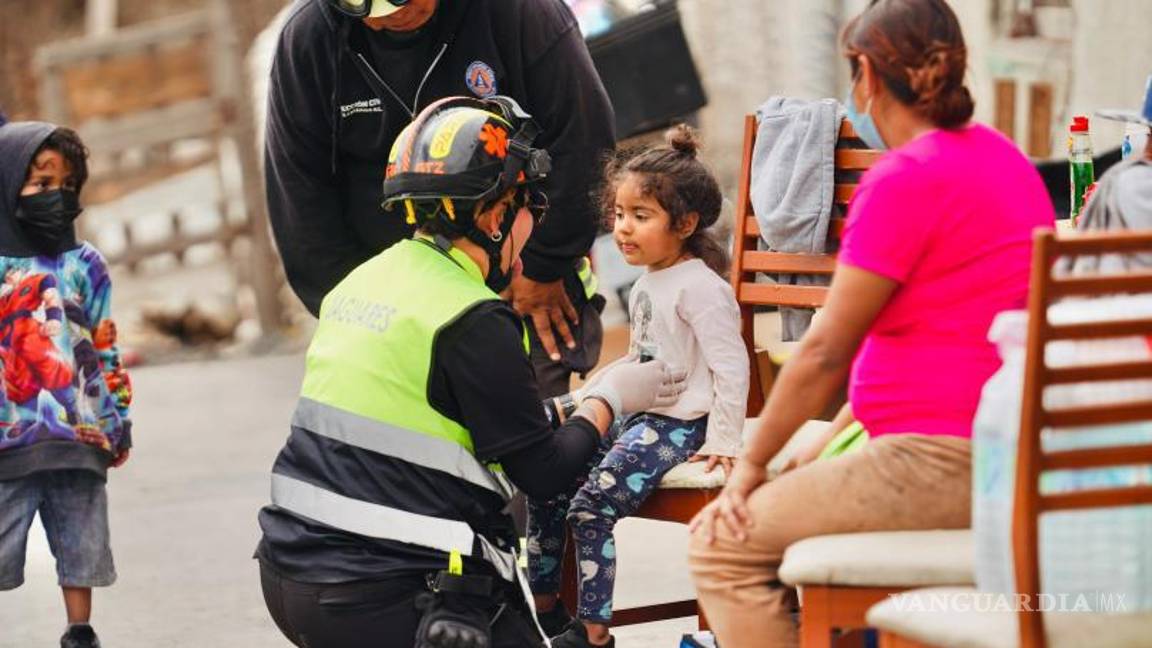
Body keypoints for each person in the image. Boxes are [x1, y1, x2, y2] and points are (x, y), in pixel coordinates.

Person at [686, 1, 1056, 646]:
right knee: (793, 499)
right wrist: (827, 436)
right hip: (1002, 451)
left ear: (868, 75)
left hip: (937, 461)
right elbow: (943, 332)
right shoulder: (1004, 160)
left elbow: (827, 349)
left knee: (722, 546)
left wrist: (748, 469)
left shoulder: (905, 179)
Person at [255, 95, 684, 648]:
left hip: (292, 572)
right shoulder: (471, 317)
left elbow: (438, 422)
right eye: (529, 205)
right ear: (493, 214)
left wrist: (574, 405)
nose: (533, 224)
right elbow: (545, 474)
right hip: (385, 591)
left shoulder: (365, 281)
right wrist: (612, 399)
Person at [264, 0, 615, 399]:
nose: (390, 13)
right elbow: (302, 204)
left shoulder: (520, 13)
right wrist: (362, 312)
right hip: (392, 311)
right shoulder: (308, 40)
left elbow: (582, 141)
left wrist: (546, 266)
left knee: (529, 433)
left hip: (522, 287)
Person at [527, 125, 749, 648]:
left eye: (641, 217)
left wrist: (724, 439)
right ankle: (543, 609)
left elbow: (732, 367)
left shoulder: (701, 288)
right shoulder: (649, 280)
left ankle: (593, 632)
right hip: (640, 417)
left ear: (686, 223)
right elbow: (642, 358)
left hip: (679, 426)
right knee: (545, 479)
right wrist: (591, 395)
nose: (623, 229)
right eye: (620, 214)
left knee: (589, 508)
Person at [0, 121, 134, 648]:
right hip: (8, 440)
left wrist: (117, 418)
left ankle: (80, 633)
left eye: (65, 185)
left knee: (81, 544)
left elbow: (105, 344)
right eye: (39, 183)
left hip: (79, 436)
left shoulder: (85, 263)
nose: (55, 197)